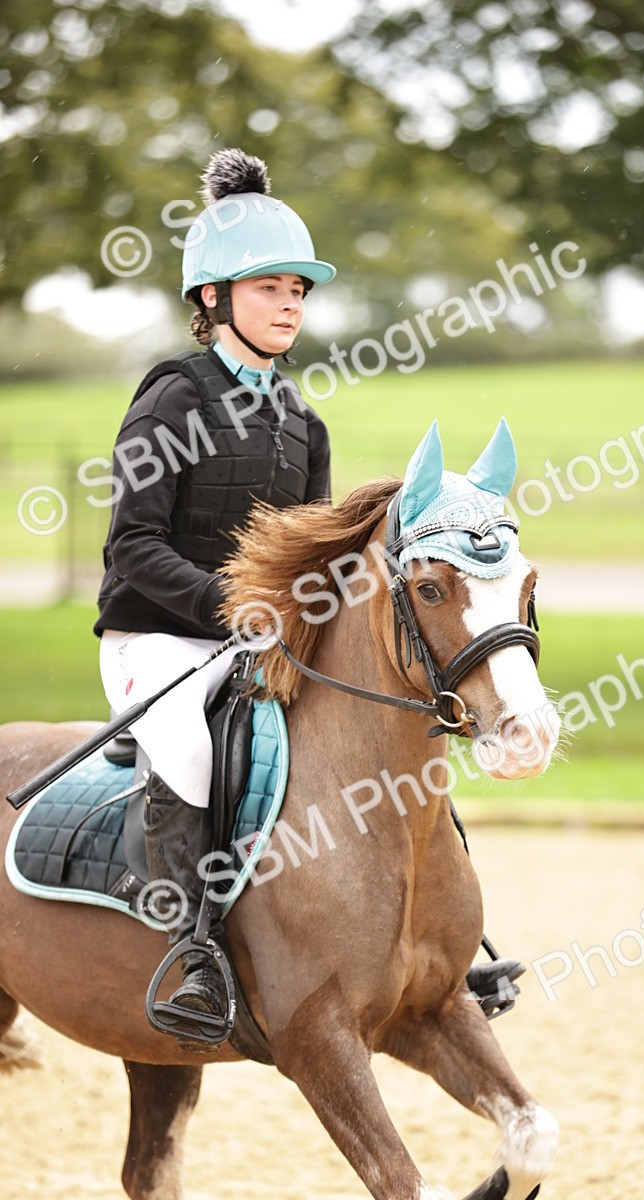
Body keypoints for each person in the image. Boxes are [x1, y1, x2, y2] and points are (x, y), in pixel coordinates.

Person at [94, 147, 336, 1023]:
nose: (289, 305)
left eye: (299, 291)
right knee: (192, 748)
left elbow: (314, 559)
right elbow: (133, 548)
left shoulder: (303, 422)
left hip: (254, 643)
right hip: (153, 640)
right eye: (271, 287)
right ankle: (192, 953)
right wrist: (228, 605)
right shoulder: (172, 398)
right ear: (213, 297)